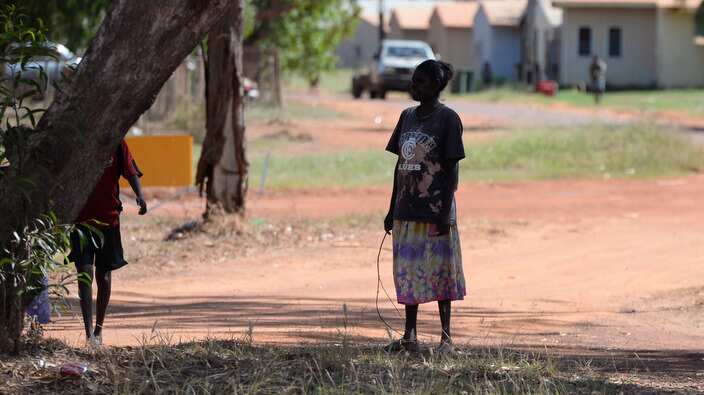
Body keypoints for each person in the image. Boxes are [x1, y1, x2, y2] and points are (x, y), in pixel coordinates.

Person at [383, 59, 467, 354]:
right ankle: (410, 336)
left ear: (435, 86)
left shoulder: (448, 119)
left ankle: (446, 338)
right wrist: (392, 208)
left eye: (420, 81)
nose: (413, 86)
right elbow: (399, 166)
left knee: (441, 271)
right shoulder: (406, 117)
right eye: (413, 80)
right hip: (407, 210)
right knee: (408, 273)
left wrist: (444, 212)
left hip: (436, 212)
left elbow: (452, 170)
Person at [68, 140, 147, 346]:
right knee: (85, 273)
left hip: (108, 219)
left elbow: (130, 171)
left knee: (103, 276)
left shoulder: (117, 143)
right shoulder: (78, 141)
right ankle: (88, 335)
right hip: (80, 220)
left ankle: (98, 330)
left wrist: (140, 195)